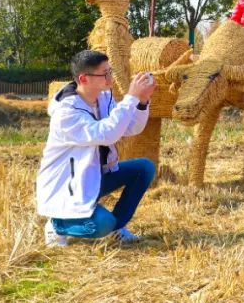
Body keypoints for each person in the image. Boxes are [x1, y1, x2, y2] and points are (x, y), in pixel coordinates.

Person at [36, 50, 157, 247]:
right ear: (84, 78)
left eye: (110, 71)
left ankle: (116, 229)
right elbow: (105, 133)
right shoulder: (66, 113)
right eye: (105, 73)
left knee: (144, 168)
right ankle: (57, 225)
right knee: (102, 225)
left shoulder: (103, 99)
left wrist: (142, 101)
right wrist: (131, 98)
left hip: (93, 176)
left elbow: (130, 127)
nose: (111, 77)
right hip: (69, 185)